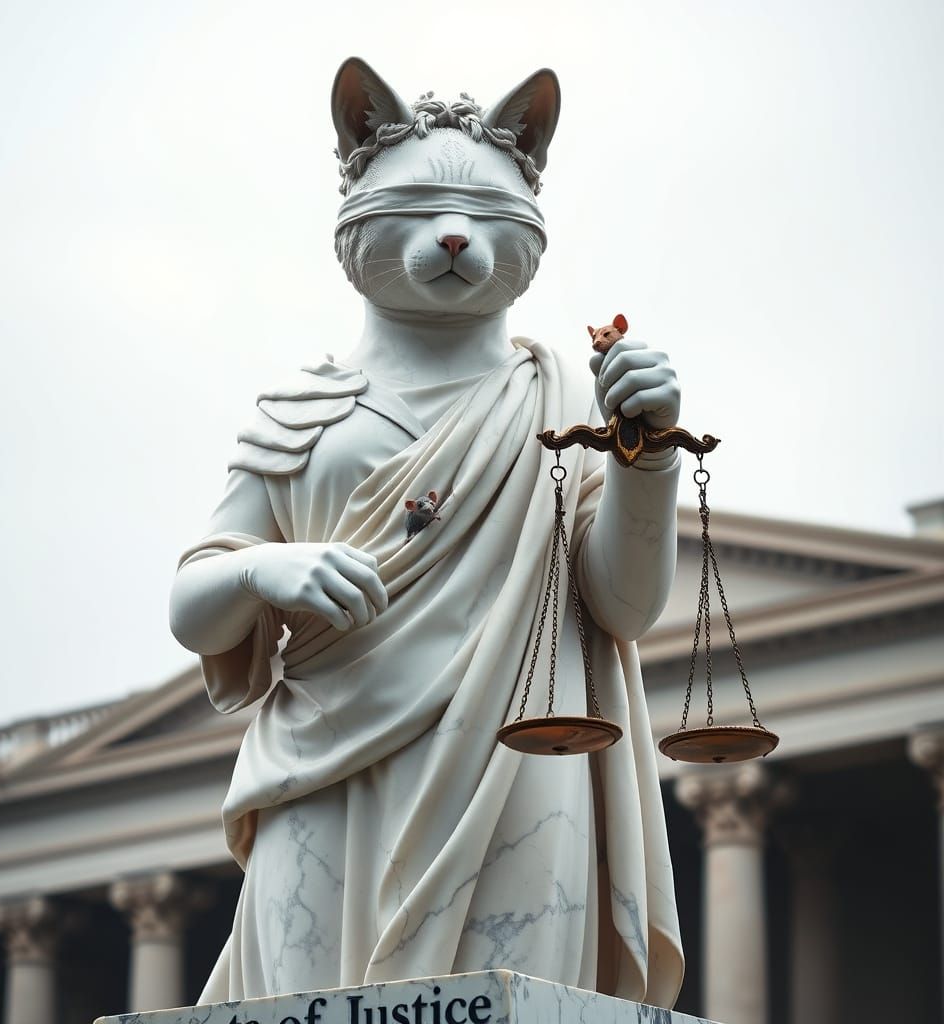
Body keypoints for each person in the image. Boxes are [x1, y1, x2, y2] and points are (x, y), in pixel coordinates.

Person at [170, 57, 685, 1008]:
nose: (454, 234)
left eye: (486, 212)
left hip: (516, 764)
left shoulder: (564, 404)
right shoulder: (301, 414)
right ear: (353, 214)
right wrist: (258, 573)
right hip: (325, 770)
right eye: (418, 208)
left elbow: (623, 605)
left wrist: (644, 459)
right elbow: (191, 605)